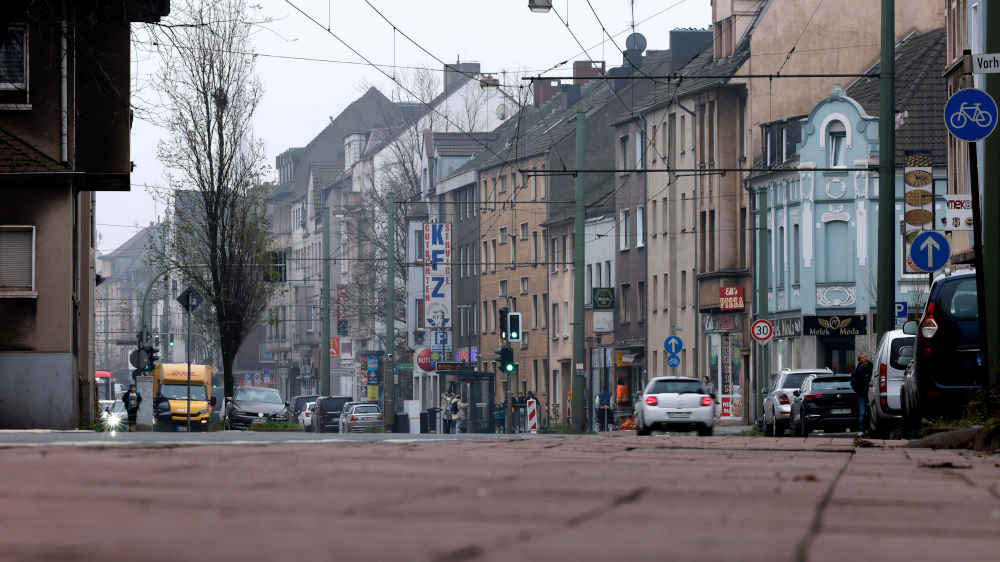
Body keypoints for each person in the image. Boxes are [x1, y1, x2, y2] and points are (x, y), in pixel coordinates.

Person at [851, 352, 874, 436]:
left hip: (867, 393)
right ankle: (862, 429)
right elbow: (853, 383)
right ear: (860, 360)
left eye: (865, 357)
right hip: (862, 394)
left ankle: (866, 429)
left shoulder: (867, 367)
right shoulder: (859, 370)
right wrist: (858, 390)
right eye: (863, 358)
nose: (865, 359)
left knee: (867, 412)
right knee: (863, 412)